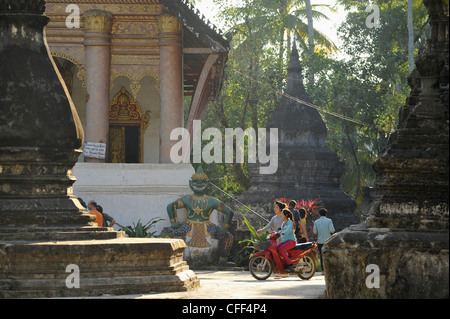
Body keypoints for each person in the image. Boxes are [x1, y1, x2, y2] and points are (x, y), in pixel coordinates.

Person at [313, 208, 335, 275]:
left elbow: (315, 232)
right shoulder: (329, 221)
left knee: (322, 256)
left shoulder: (316, 222)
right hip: (328, 241)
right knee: (329, 255)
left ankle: (323, 270)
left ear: (319, 215)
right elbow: (332, 230)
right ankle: (329, 269)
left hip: (320, 241)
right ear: (326, 214)